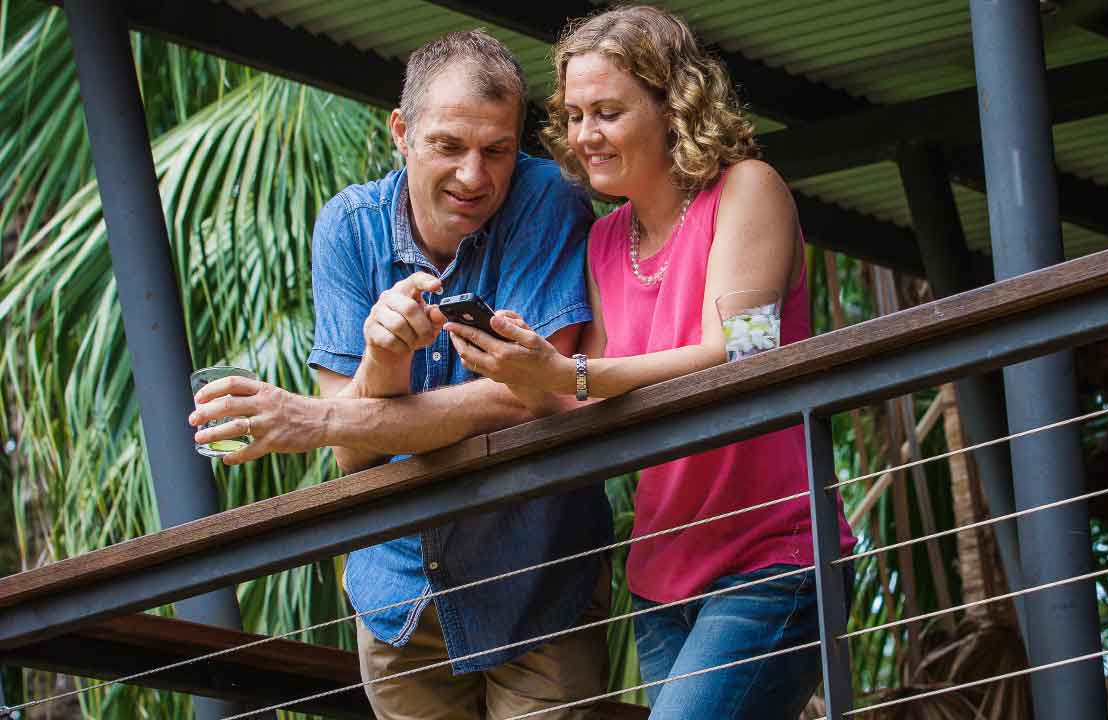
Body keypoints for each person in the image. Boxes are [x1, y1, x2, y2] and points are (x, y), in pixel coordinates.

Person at [442, 7, 856, 719]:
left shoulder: (747, 189)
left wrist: (564, 374)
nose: (584, 136)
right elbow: (594, 396)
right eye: (574, 115)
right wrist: (518, 366)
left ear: (674, 107)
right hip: (662, 574)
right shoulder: (606, 241)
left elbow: (744, 351)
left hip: (772, 558)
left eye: (608, 111)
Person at [188, 30, 611, 720]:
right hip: (398, 593)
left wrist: (314, 417)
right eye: (449, 146)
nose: (474, 176)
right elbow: (357, 454)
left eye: (496, 150)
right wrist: (384, 357)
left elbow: (535, 395)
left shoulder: (549, 200)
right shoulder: (347, 227)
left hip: (537, 573)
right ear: (401, 134)